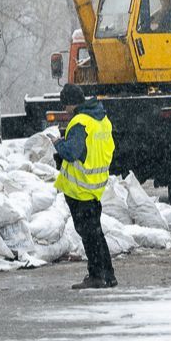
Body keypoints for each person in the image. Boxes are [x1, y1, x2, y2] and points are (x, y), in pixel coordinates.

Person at [48, 83, 117, 289]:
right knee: (96, 232)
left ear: (70, 104)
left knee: (89, 234)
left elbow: (72, 152)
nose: (65, 111)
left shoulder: (80, 122)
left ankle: (96, 276)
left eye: (65, 106)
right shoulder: (101, 119)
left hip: (80, 189)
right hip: (94, 187)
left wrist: (58, 143)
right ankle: (109, 275)